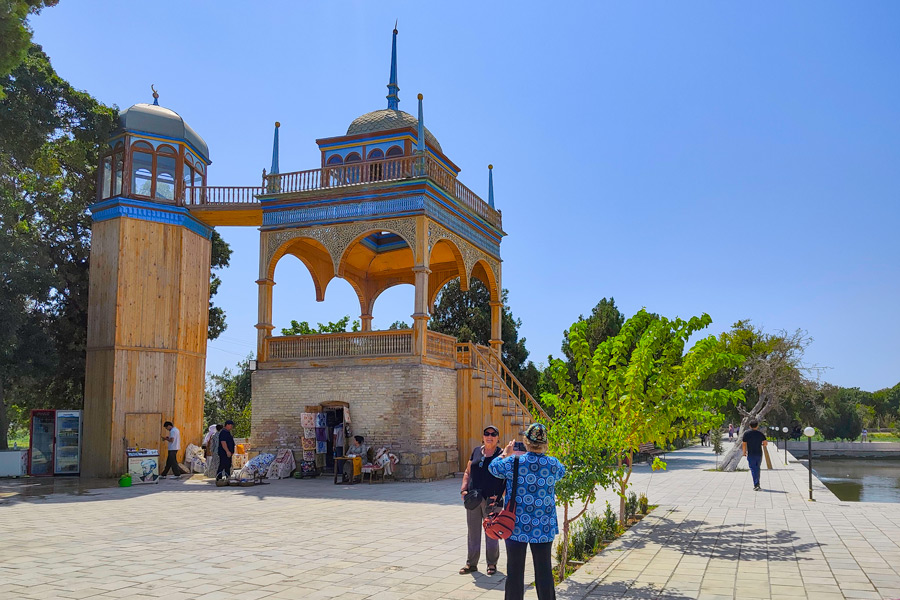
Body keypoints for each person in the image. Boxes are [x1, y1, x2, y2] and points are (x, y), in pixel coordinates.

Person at [489, 423, 565, 600]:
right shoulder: (553, 464)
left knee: (514, 572)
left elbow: (493, 467)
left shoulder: (513, 462)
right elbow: (562, 473)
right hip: (543, 527)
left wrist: (505, 453)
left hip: (516, 525)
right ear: (545, 443)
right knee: (544, 571)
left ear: (525, 441)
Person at [459, 425, 506, 577]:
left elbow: (507, 478)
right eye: (487, 433)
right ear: (483, 436)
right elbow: (468, 472)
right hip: (474, 498)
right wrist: (464, 489)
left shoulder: (502, 454)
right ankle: (471, 563)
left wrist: (500, 495)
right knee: (473, 532)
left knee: (491, 531)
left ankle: (491, 563)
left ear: (498, 438)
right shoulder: (476, 451)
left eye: (493, 434)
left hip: (492, 500)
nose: (489, 436)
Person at [741, 419, 768, 491]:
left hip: (751, 453)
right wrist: (762, 444)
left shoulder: (746, 434)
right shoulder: (760, 434)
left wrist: (744, 452)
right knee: (757, 468)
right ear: (757, 426)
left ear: (750, 426)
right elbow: (765, 443)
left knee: (753, 468)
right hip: (759, 453)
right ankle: (757, 483)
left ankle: (756, 484)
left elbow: (744, 444)